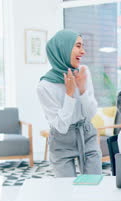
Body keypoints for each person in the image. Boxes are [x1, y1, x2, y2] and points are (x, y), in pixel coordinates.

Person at [37, 29, 101, 178]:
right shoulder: (44, 86)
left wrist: (83, 90)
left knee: (94, 185)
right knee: (65, 192)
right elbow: (61, 126)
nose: (83, 51)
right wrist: (70, 94)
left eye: (83, 46)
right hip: (61, 141)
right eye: (78, 46)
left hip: (86, 133)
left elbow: (91, 114)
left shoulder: (83, 72)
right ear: (63, 48)